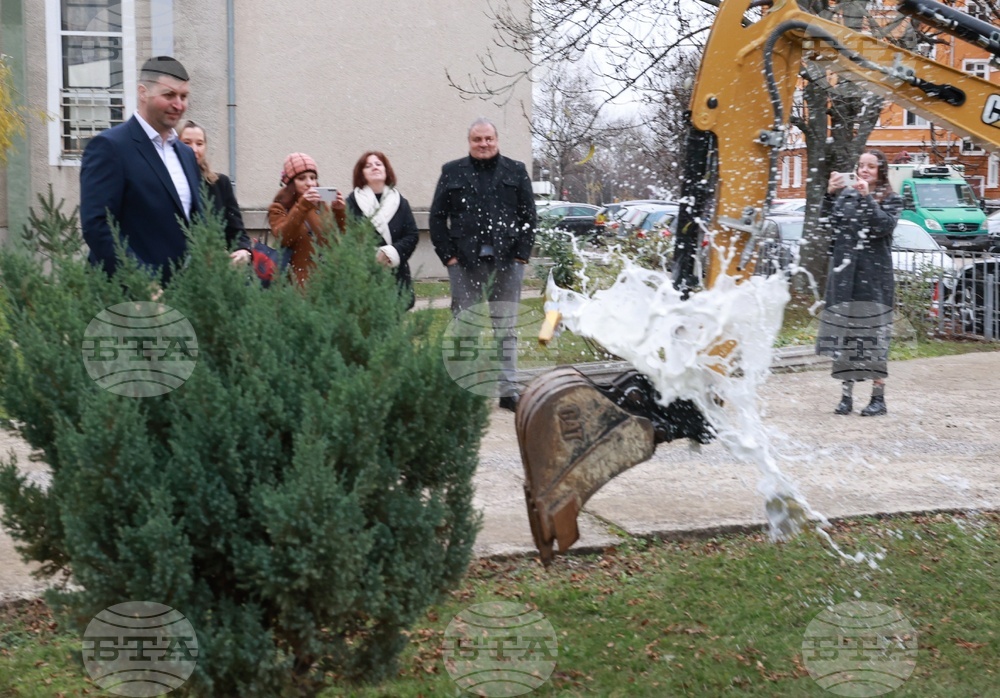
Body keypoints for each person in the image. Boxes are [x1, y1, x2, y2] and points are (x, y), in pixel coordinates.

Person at [429, 118, 537, 412]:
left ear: (497, 140)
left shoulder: (516, 171)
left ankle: (507, 391)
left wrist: (521, 255)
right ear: (470, 142)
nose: (483, 144)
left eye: (488, 138)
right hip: (465, 264)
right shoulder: (452, 172)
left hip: (508, 262)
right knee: (465, 326)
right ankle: (464, 389)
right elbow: (437, 217)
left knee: (506, 327)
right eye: (477, 139)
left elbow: (529, 216)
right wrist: (449, 257)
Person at [81, 56, 201, 286]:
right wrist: (143, 283)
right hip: (126, 294)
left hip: (180, 293)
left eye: (184, 96)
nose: (178, 105)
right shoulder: (110, 147)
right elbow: (97, 226)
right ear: (143, 92)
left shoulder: (186, 154)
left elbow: (194, 223)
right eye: (169, 95)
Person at [816, 149, 902, 417]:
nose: (864, 170)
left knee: (874, 334)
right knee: (846, 334)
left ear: (881, 171)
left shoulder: (892, 199)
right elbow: (825, 224)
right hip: (845, 275)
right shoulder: (846, 195)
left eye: (871, 166)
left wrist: (867, 198)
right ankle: (846, 396)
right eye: (861, 165)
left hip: (874, 275)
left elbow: (883, 226)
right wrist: (830, 195)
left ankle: (878, 398)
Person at [345, 151, 420, 309]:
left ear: (386, 170)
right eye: (368, 165)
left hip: (396, 275)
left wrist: (390, 253)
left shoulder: (400, 202)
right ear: (361, 173)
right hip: (363, 275)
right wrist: (371, 256)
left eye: (379, 164)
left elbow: (412, 235)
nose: (375, 167)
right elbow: (346, 236)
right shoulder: (352, 203)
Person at [178, 120, 251, 265]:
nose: (194, 149)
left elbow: (236, 232)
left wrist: (243, 251)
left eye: (199, 144)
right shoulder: (168, 184)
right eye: (187, 143)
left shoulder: (220, 183)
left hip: (215, 269)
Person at [267, 152, 346, 285]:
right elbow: (284, 238)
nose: (309, 183)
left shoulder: (322, 207)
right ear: (291, 183)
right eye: (301, 178)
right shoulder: (278, 208)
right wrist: (302, 206)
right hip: (298, 283)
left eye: (313, 178)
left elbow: (340, 238)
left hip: (328, 281)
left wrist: (339, 212)